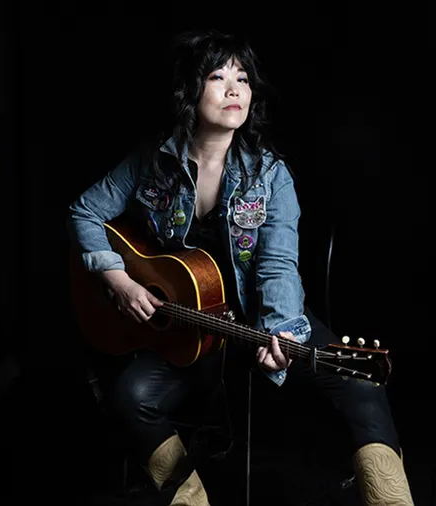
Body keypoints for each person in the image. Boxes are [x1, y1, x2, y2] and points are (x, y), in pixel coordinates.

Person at [67, 28, 414, 506]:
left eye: (243, 79)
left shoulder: (269, 175)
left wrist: (283, 332)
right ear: (190, 89)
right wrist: (118, 280)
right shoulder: (152, 161)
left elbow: (278, 264)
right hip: (189, 329)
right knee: (131, 395)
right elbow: (84, 212)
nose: (235, 90)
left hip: (257, 320)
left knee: (361, 387)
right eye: (218, 77)